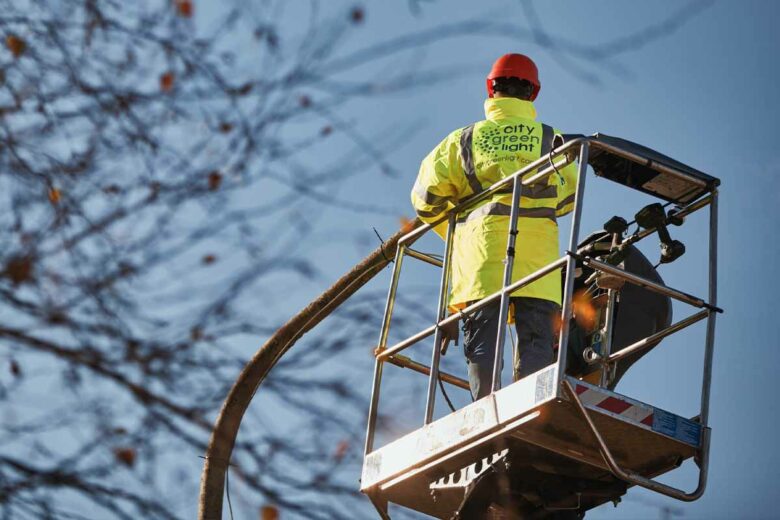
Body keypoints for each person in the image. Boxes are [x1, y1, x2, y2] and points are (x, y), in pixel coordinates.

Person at [411, 53, 578, 401]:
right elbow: (568, 198)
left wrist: (457, 234)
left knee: (483, 348)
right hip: (539, 266)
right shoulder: (552, 139)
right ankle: (531, 407)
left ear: (492, 88)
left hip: (481, 262)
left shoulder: (464, 140)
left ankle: (486, 410)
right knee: (536, 344)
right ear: (532, 93)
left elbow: (424, 198)